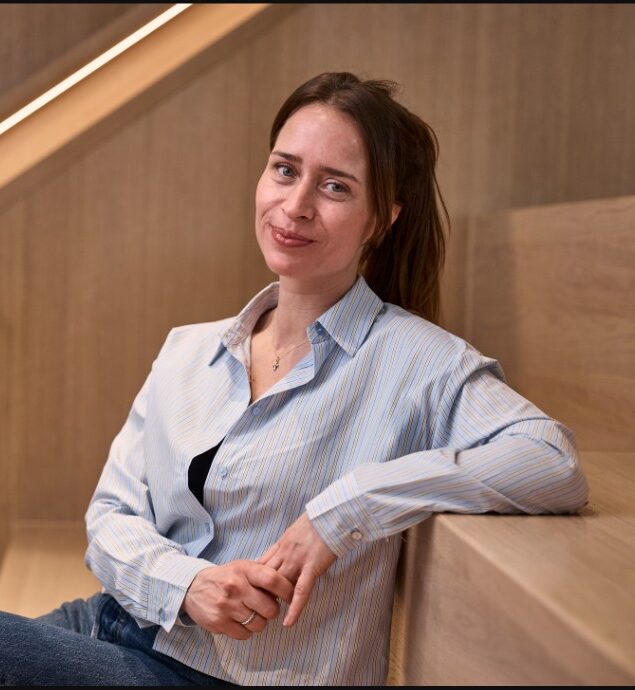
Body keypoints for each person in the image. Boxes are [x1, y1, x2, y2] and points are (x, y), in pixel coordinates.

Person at [0, 72, 588, 686]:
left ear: (381, 220)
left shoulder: (420, 363)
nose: (296, 205)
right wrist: (188, 585)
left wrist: (349, 507)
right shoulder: (188, 350)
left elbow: (552, 460)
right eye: (285, 170)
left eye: (335, 186)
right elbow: (110, 515)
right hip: (115, 622)